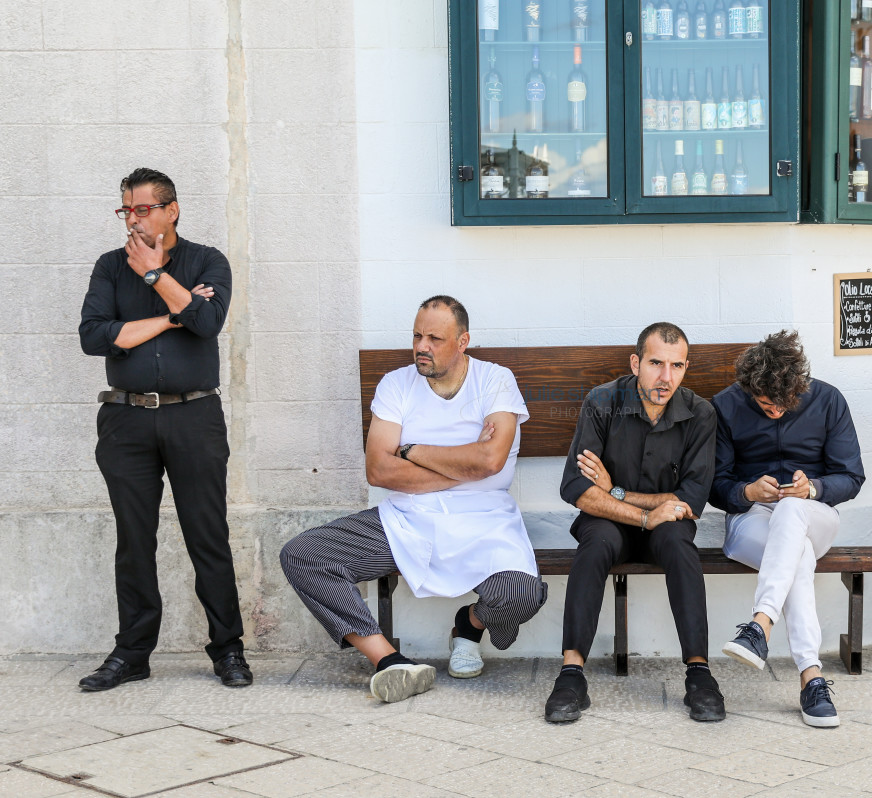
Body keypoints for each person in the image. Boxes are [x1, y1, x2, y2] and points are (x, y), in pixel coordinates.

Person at [280, 296, 547, 702]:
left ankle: (470, 625)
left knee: (521, 593)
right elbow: (379, 472)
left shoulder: (495, 380)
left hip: (484, 520)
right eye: (417, 336)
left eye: (435, 338)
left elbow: (490, 461)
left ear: (463, 342)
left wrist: (412, 450)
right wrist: (463, 465)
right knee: (304, 554)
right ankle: (389, 661)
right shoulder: (396, 384)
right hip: (406, 519)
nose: (422, 346)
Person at [78, 168, 251, 691]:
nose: (133, 219)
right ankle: (132, 653)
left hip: (193, 416)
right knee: (134, 542)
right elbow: (94, 336)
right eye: (126, 210)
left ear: (171, 210)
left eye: (143, 209)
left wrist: (157, 276)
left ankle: (228, 650)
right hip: (126, 419)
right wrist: (175, 311)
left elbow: (209, 322)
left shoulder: (208, 261)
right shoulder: (109, 268)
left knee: (208, 536)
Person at [545, 322, 722, 723]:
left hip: (667, 525)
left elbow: (691, 499)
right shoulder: (603, 401)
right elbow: (575, 487)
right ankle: (571, 675)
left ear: (686, 367)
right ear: (635, 362)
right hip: (610, 525)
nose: (666, 377)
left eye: (676, 366)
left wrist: (617, 492)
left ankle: (699, 675)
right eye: (656, 363)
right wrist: (644, 513)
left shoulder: (700, 413)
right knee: (594, 546)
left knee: (680, 545)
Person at [709, 330, 865, 728]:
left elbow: (851, 476)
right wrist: (746, 490)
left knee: (793, 510)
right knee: (798, 558)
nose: (775, 411)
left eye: (785, 403)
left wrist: (813, 488)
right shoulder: (725, 407)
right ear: (749, 388)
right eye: (765, 404)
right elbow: (713, 484)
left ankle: (759, 625)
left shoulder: (828, 400)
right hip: (751, 518)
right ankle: (811, 677)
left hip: (814, 514)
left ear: (799, 387)